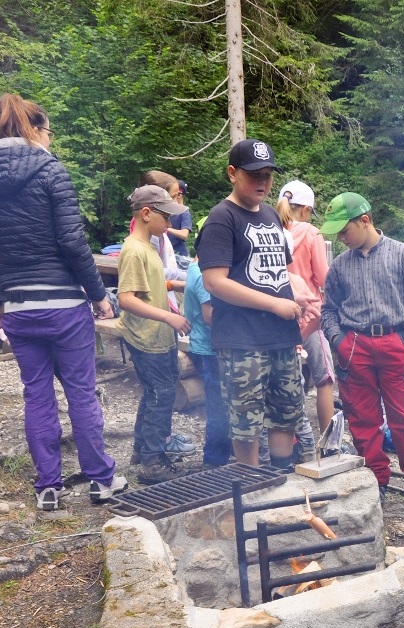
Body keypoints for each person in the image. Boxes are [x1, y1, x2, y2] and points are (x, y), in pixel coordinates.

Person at [0, 93, 126, 511]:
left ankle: (48, 486)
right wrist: (98, 295)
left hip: (19, 306)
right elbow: (72, 241)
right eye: (49, 131)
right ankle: (100, 480)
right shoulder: (50, 170)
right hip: (64, 305)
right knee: (81, 392)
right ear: (35, 130)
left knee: (36, 394)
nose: (50, 139)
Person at [319, 192, 404, 519]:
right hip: (353, 348)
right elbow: (328, 310)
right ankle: (376, 478)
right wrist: (338, 341)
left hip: (394, 345)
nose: (341, 239)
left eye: (344, 231)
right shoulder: (340, 266)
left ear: (365, 220)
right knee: (362, 420)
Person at [196, 139, 314, 470]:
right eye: (253, 175)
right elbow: (214, 282)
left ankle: (280, 475)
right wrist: (274, 304)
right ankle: (249, 484)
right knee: (245, 422)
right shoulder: (221, 218)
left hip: (282, 335)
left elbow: (283, 271)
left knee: (286, 411)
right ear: (232, 173)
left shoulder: (271, 216)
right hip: (241, 339)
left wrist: (299, 292)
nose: (262, 182)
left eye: (267, 175)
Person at [116, 185, 192, 484]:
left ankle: (142, 449)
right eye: (166, 217)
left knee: (154, 393)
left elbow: (153, 287)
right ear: (146, 214)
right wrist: (169, 317)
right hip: (147, 338)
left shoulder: (149, 246)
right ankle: (153, 462)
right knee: (163, 395)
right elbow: (127, 299)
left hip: (155, 336)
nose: (170, 224)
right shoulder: (135, 250)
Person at [277, 180, 336, 437]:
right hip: (309, 314)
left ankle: (291, 437)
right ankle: (328, 439)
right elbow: (324, 278)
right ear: (305, 210)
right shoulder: (311, 233)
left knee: (288, 379)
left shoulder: (270, 228)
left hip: (279, 314)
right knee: (325, 378)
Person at [183, 259, 232, 470]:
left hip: (209, 346)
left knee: (221, 403)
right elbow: (210, 316)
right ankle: (214, 460)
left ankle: (224, 451)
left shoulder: (197, 269)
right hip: (210, 349)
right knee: (218, 405)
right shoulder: (204, 274)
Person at [167, 179, 194, 265]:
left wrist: (166, 228)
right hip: (168, 252)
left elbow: (184, 234)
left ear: (179, 195)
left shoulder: (184, 212)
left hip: (179, 255)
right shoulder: (168, 211)